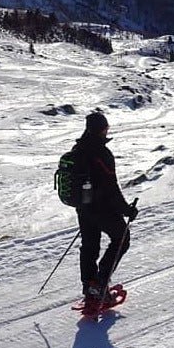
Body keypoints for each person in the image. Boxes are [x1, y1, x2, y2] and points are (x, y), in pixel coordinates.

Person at [74, 112, 137, 311]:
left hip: (83, 208)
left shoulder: (77, 149)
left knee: (89, 247)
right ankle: (100, 285)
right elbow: (111, 187)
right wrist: (127, 210)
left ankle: (89, 288)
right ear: (102, 129)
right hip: (102, 208)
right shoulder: (102, 153)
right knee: (122, 239)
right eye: (106, 128)